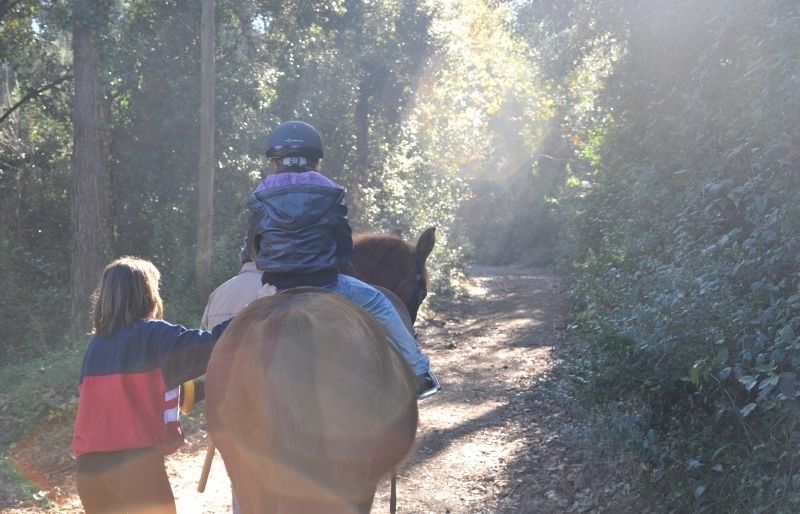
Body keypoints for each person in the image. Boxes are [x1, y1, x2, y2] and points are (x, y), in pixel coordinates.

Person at [246, 120, 440, 398]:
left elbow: (255, 244)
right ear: (316, 159)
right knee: (381, 304)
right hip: (325, 283)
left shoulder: (260, 194)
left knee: (235, 328)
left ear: (275, 161)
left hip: (276, 286)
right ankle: (419, 373)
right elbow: (342, 245)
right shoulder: (329, 190)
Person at [71, 256, 231, 514]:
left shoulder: (96, 347)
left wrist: (208, 389)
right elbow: (213, 345)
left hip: (90, 472)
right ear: (146, 295)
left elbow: (145, 396)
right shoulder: (153, 335)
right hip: (136, 469)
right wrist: (254, 314)